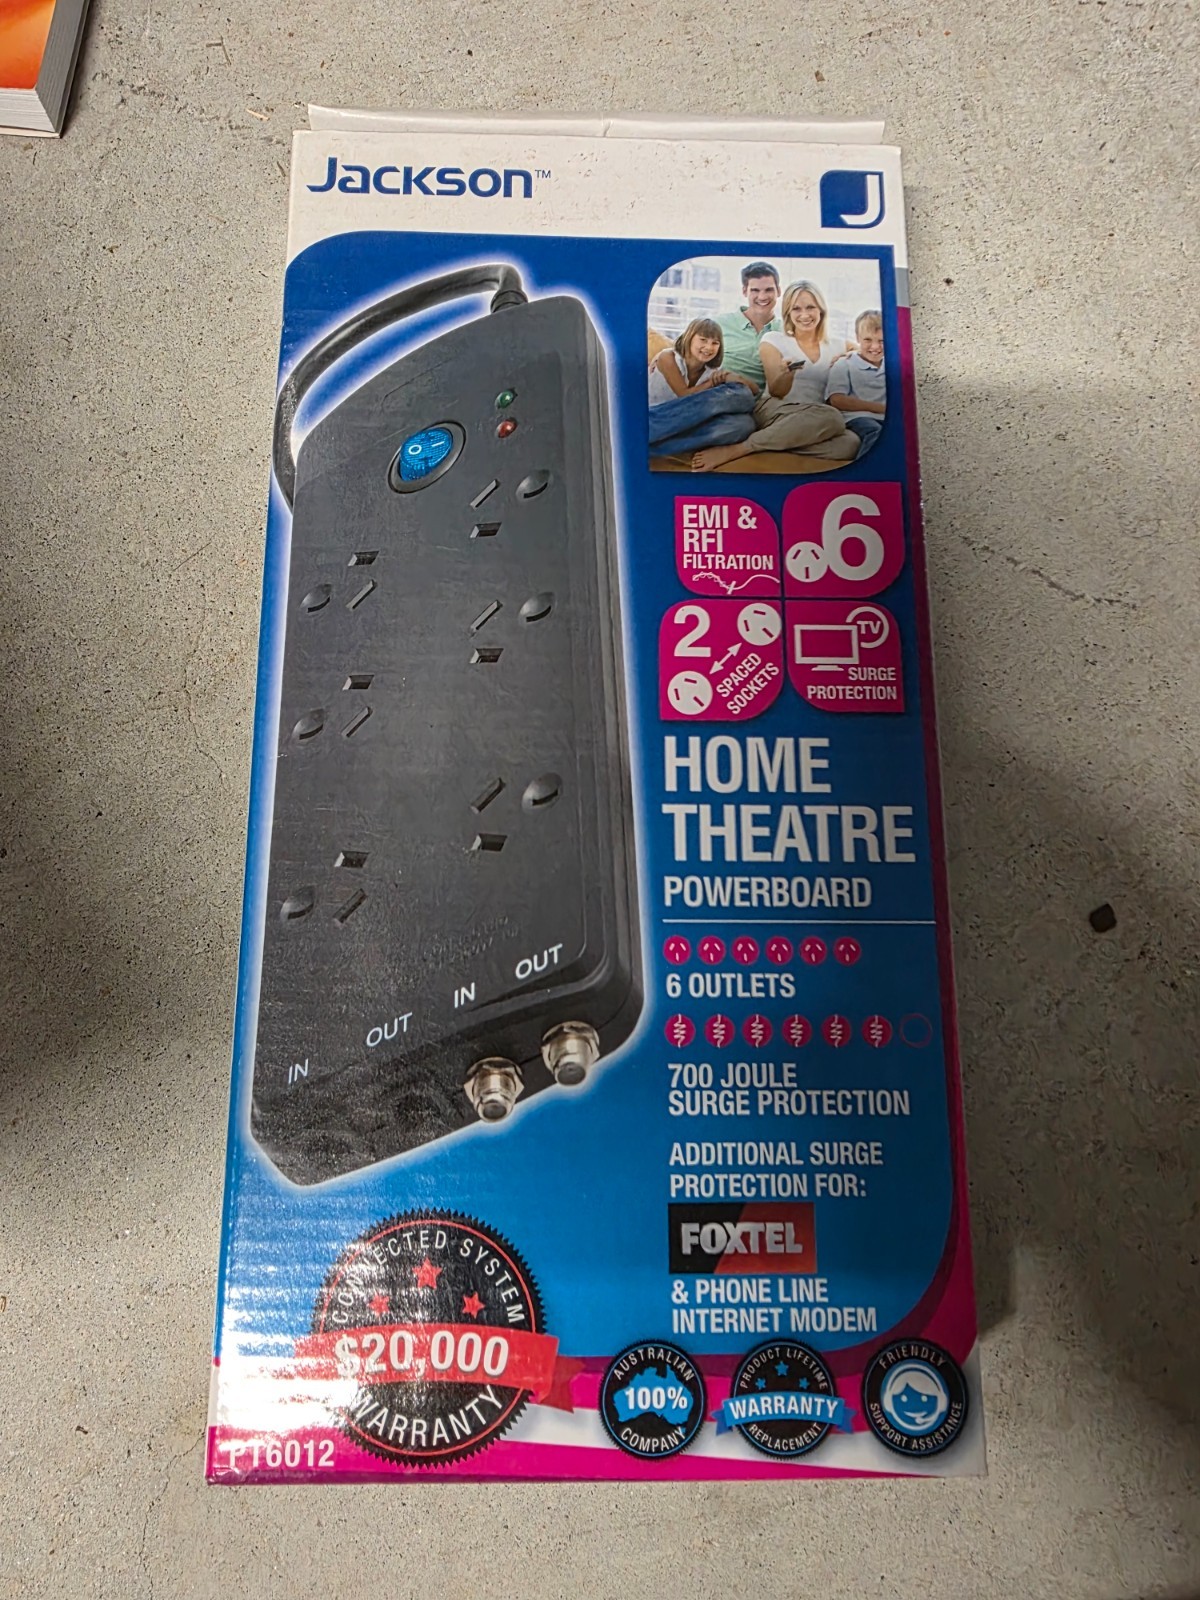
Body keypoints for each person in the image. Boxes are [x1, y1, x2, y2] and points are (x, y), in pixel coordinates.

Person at [692, 280, 859, 472]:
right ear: (788, 313)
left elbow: (872, 353)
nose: (804, 315)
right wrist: (786, 374)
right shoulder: (774, 340)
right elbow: (777, 391)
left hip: (811, 419)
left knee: (850, 444)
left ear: (821, 310)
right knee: (832, 416)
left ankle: (775, 442)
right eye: (796, 309)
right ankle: (739, 449)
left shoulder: (838, 345)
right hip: (775, 409)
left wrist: (851, 356)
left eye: (810, 307)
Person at [647, 319, 758, 458]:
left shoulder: (711, 371)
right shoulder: (668, 357)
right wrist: (711, 383)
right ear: (689, 338)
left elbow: (754, 391)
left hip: (686, 425)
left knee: (745, 424)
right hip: (657, 418)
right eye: (703, 340)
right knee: (740, 395)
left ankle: (653, 448)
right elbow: (684, 394)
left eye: (715, 343)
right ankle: (649, 435)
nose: (709, 347)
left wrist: (734, 376)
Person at [825, 309, 886, 457]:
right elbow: (837, 400)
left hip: (886, 418)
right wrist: (880, 408)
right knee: (875, 432)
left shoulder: (893, 365)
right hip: (857, 417)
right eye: (868, 340)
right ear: (858, 338)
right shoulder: (844, 364)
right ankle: (867, 470)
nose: (875, 347)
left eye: (882, 341)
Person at [715, 262, 782, 387]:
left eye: (769, 290)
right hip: (720, 391)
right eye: (755, 290)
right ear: (745, 291)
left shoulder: (786, 330)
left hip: (760, 396)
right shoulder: (720, 324)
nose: (762, 297)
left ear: (778, 291)